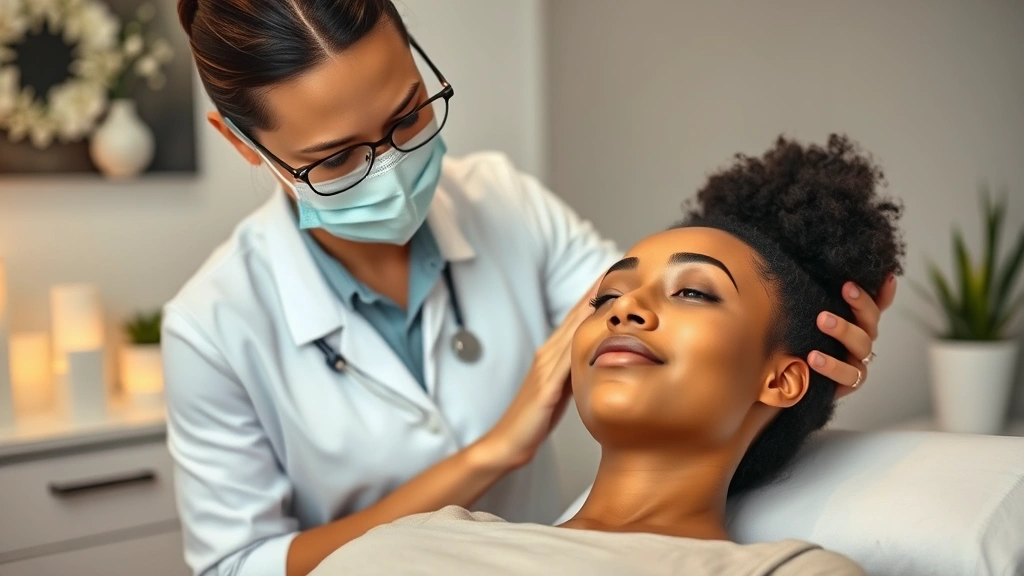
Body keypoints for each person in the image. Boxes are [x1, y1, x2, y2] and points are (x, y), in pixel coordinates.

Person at [167, 1, 897, 575]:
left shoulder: (506, 204)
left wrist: (813, 340)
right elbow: (240, 566)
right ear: (241, 142)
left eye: (408, 116)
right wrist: (493, 452)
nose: (390, 170)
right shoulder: (214, 326)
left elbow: (668, 324)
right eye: (336, 160)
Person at [309, 134, 904, 575]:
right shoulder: (407, 547)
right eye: (608, 296)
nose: (622, 310)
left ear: (782, 379)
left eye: (694, 291)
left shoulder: (790, 574)